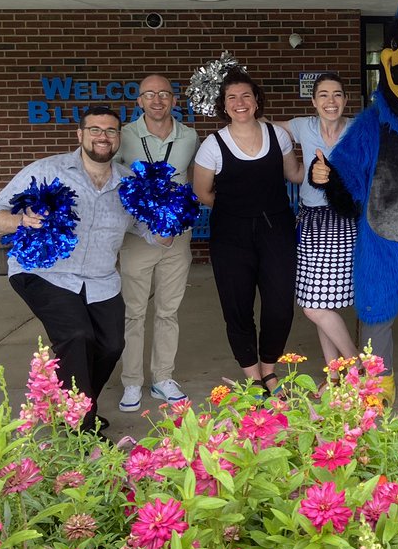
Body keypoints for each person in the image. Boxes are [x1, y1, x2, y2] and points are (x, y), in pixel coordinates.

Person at [0, 106, 172, 434]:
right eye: (95, 129)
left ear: (118, 138)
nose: (103, 136)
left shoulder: (129, 184)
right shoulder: (47, 170)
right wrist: (21, 220)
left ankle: (72, 406)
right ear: (80, 135)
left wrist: (168, 216)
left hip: (101, 279)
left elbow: (156, 237)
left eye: (111, 131)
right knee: (76, 336)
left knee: (111, 345)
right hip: (44, 272)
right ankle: (81, 431)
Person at [192, 69, 303, 394]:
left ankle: (270, 370)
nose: (240, 103)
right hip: (231, 236)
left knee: (281, 305)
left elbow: (294, 174)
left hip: (276, 231)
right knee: (238, 307)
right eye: (232, 98)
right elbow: (203, 193)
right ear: (224, 106)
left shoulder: (278, 136)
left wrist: (326, 159)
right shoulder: (213, 145)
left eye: (246, 96)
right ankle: (254, 377)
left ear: (256, 101)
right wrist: (238, 212)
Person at [114, 74, 200, 413]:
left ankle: (162, 377)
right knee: (133, 313)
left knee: (168, 310)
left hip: (176, 237)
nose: (157, 100)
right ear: (139, 101)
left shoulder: (190, 136)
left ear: (174, 101)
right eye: (149, 94)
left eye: (164, 94)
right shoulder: (123, 136)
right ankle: (131, 381)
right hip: (137, 237)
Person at [282, 73, 358, 367]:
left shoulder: (356, 129)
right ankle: (335, 373)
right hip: (310, 219)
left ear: (345, 100)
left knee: (315, 304)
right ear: (313, 101)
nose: (331, 101)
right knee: (318, 301)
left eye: (337, 94)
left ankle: (354, 364)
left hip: (342, 220)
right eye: (323, 95)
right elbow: (262, 128)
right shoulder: (303, 126)